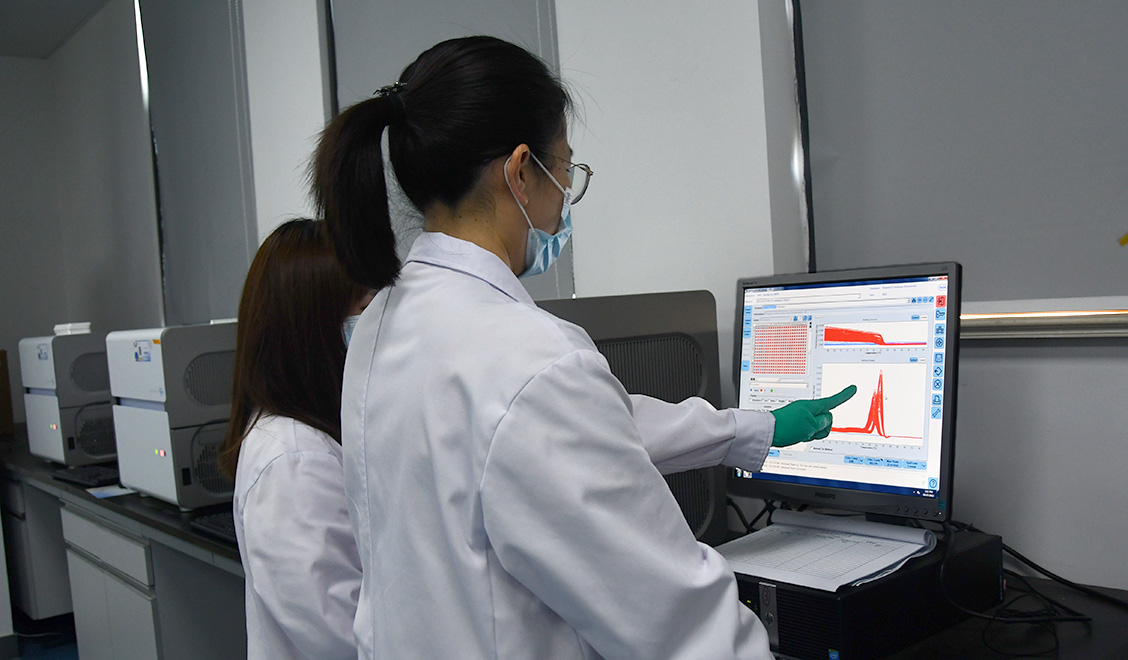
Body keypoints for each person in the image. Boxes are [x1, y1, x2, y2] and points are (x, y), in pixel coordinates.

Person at [312, 36, 855, 660]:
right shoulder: (528, 359)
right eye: (565, 168)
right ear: (520, 171)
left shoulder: (383, 323)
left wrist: (750, 426)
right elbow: (678, 623)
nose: (566, 191)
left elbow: (585, 432)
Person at [218, 218, 373, 660]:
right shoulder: (292, 458)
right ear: (313, 326)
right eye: (364, 304)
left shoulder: (305, 434)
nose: (377, 318)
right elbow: (339, 632)